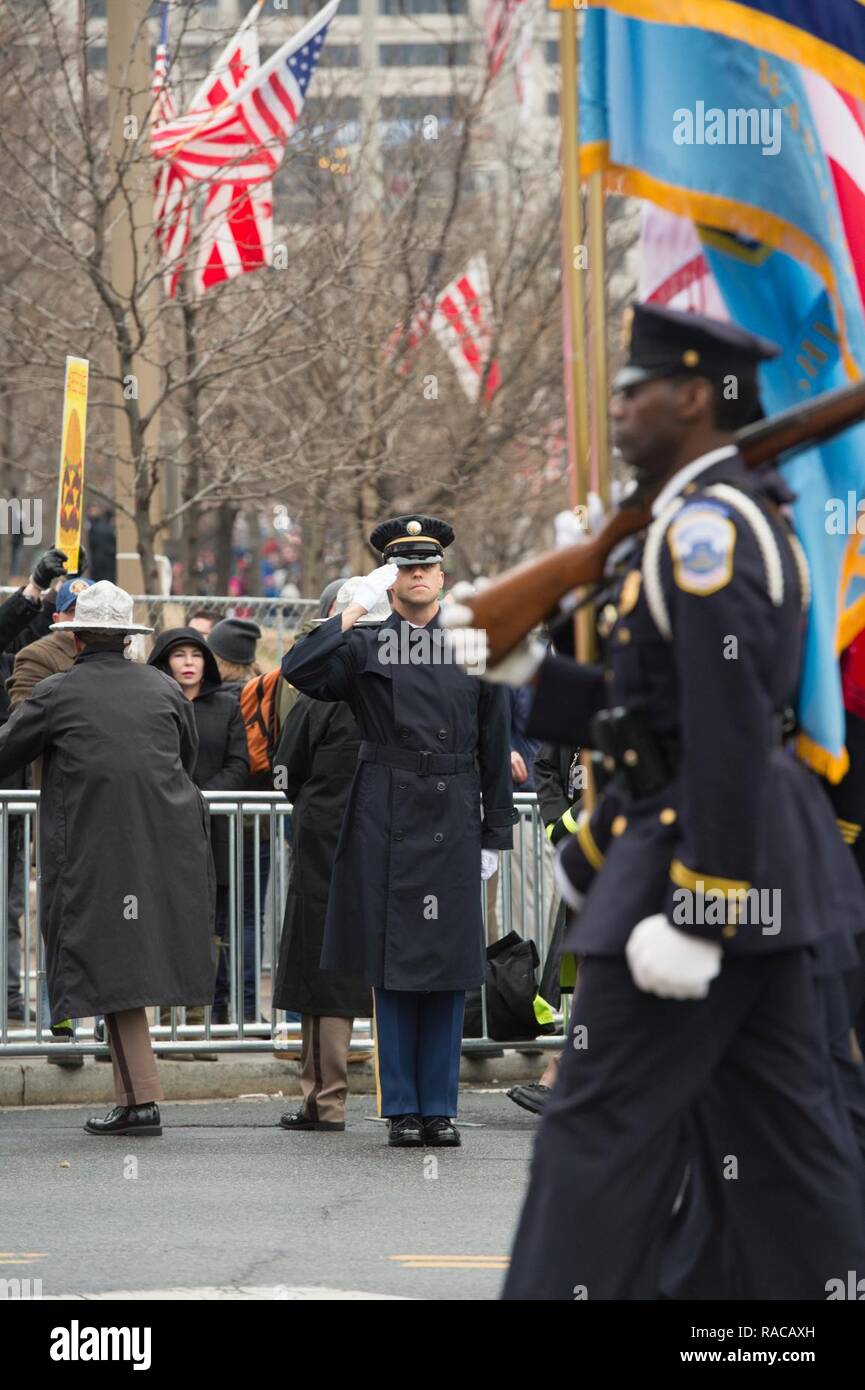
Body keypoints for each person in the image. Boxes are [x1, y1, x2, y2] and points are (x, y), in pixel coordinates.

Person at [451, 305, 865, 1298]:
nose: (619, 407)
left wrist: (702, 903)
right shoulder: (690, 521)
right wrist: (532, 671)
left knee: (595, 1132)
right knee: (786, 1145)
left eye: (634, 390)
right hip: (750, 865)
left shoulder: (704, 532)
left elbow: (728, 727)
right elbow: (657, 711)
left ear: (692, 396)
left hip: (699, 867)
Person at [281, 516, 515, 1148]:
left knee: (447, 968)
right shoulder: (366, 641)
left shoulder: (473, 641)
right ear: (390, 576)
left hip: (456, 810)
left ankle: (439, 1107)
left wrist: (497, 832)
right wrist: (355, 608)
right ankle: (402, 1109)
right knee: (395, 966)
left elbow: (495, 742)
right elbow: (299, 668)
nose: (417, 575)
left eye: (426, 565)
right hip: (388, 811)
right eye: (403, 567)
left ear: (443, 575)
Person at [0, 581, 216, 1135]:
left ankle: (141, 1103)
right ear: (126, 639)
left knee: (112, 966)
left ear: (74, 637)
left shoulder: (57, 692)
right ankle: (135, 1099)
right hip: (167, 846)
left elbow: (7, 751)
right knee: (127, 964)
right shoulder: (164, 688)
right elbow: (184, 757)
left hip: (93, 850)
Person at [273, 577, 390, 1133]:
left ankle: (324, 1100)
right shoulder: (398, 687)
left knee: (320, 971)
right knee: (375, 970)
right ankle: (388, 1101)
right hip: (382, 835)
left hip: (323, 840)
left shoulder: (317, 698)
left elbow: (289, 771)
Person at [147, 629, 248, 1037]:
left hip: (212, 834)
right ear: (165, 662)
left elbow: (239, 766)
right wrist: (175, 800)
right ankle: (171, 1026)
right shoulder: (151, 702)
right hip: (162, 833)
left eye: (196, 655)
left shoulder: (227, 706)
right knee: (166, 925)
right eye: (179, 655)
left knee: (210, 930)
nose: (189, 662)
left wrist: (198, 799)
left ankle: (198, 1025)